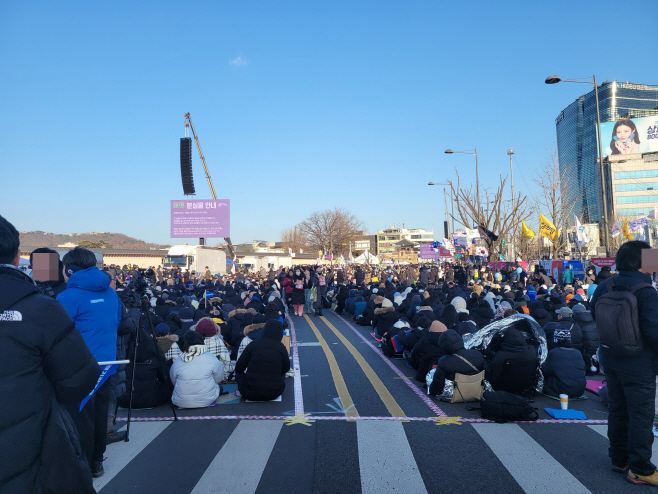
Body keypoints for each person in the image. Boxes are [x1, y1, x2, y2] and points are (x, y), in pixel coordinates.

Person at [0, 215, 101, 493]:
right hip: (35, 441)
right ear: (18, 256)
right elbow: (81, 377)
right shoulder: (43, 307)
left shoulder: (59, 298)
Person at [590, 241, 658, 485]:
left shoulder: (604, 286)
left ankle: (619, 459)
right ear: (641, 260)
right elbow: (653, 331)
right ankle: (640, 467)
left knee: (618, 409)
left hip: (610, 357)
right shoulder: (646, 290)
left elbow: (593, 313)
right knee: (641, 414)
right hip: (639, 362)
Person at [235, 319, 290, 401]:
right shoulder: (281, 347)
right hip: (274, 393)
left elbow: (239, 368)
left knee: (239, 373)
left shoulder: (253, 344)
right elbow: (286, 368)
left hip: (248, 392)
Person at [170, 331, 225, 409]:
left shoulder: (178, 360)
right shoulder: (211, 357)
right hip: (207, 399)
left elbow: (174, 381)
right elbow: (218, 378)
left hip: (181, 402)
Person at [542, 325, 586, 398]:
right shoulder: (577, 352)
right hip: (579, 391)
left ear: (556, 339)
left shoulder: (554, 352)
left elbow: (546, 371)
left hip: (561, 391)